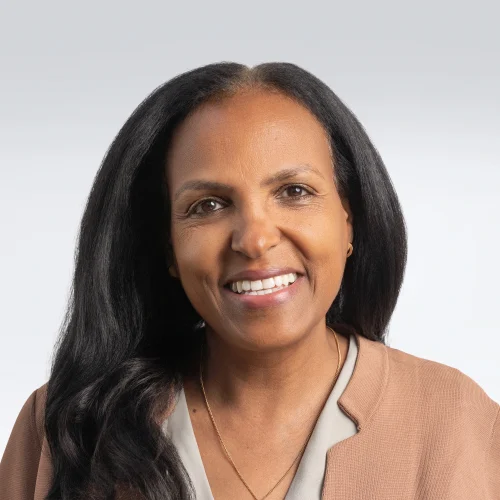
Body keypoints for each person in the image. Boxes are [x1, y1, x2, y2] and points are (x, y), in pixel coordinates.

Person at [1, 62, 498, 500]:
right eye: (208, 205)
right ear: (168, 247)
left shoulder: (456, 421)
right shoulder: (63, 428)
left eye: (294, 191)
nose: (255, 240)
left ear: (350, 221)